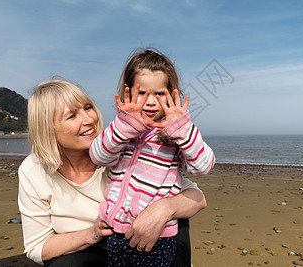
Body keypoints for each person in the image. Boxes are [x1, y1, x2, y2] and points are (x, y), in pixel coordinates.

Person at [18, 78, 207, 266]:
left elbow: (197, 198)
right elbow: (37, 247)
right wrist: (92, 234)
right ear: (48, 129)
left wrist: (162, 210)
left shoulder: (119, 146)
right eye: (72, 116)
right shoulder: (33, 171)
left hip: (143, 248)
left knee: (175, 220)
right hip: (87, 253)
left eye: (88, 108)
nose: (89, 120)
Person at [89, 48, 215, 266]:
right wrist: (125, 126)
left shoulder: (176, 135)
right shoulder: (120, 131)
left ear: (172, 94)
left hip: (157, 236)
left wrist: (182, 130)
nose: (149, 102)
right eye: (141, 93)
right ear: (127, 91)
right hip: (116, 232)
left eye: (159, 94)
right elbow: (98, 156)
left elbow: (203, 166)